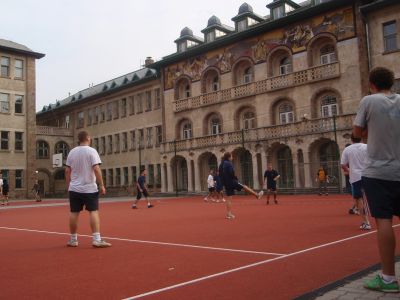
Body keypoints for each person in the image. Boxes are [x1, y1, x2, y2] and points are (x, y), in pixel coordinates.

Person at [353, 67, 400, 293]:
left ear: (372, 84)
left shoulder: (369, 101)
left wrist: (369, 132)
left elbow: (356, 133)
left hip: (379, 172)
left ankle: (389, 279)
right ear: (391, 83)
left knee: (383, 220)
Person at [65, 131, 111, 248]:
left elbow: (67, 170)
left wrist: (68, 185)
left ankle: (73, 239)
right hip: (89, 188)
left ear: (78, 139)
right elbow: (96, 168)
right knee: (93, 211)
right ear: (88, 138)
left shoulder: (72, 152)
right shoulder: (92, 151)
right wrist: (101, 184)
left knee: (74, 212)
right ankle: (96, 239)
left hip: (74, 188)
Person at [341, 134, 371, 230]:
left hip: (356, 177)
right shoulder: (367, 146)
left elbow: (343, 164)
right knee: (367, 197)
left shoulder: (348, 149)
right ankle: (373, 220)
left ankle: (366, 221)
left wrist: (350, 170)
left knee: (359, 199)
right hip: (368, 175)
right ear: (361, 138)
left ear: (351, 139)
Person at [221, 152, 263, 219]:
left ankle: (229, 214)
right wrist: (235, 178)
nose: (232, 157)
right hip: (232, 181)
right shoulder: (229, 163)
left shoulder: (223, 164)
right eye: (231, 156)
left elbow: (221, 173)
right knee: (244, 186)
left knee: (229, 199)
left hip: (227, 183)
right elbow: (232, 173)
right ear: (229, 157)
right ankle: (257, 195)